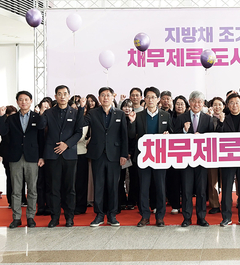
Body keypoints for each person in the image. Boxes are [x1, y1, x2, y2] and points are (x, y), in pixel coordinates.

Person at [39, 85, 83, 227]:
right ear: (55, 96)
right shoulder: (48, 113)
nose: (62, 96)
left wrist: (66, 144)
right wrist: (41, 114)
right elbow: (40, 128)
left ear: (69, 96)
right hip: (52, 155)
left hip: (69, 155)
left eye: (65, 94)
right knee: (53, 188)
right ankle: (55, 217)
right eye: (59, 94)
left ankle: (69, 218)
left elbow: (79, 133)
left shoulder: (75, 113)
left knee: (70, 188)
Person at [0, 91, 44, 228]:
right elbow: (2, 132)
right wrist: (1, 116)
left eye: (26, 99)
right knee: (16, 189)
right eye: (21, 100)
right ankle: (16, 217)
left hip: (32, 157)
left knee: (32, 189)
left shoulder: (37, 117)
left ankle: (30, 217)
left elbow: (41, 136)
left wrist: (42, 156)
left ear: (31, 101)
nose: (24, 102)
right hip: (15, 157)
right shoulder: (11, 118)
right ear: (17, 102)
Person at [85, 87, 129, 227]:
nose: (105, 98)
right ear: (99, 98)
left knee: (113, 186)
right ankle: (99, 215)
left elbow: (124, 136)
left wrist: (124, 154)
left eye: (108, 95)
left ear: (112, 97)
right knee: (98, 185)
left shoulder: (120, 114)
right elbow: (82, 124)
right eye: (103, 95)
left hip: (114, 155)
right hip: (97, 154)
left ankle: (112, 215)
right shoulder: (92, 113)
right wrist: (81, 108)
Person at [128, 86, 171, 227]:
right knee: (143, 187)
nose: (150, 99)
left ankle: (160, 217)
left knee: (160, 187)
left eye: (153, 97)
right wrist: (132, 122)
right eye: (148, 97)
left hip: (160, 157)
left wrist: (168, 135)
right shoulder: (138, 115)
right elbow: (131, 135)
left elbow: (171, 133)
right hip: (143, 157)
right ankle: (145, 216)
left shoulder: (166, 116)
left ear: (158, 99)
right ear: (144, 99)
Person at [173, 91, 212, 227]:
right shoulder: (181, 118)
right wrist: (184, 131)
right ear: (189, 102)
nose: (197, 104)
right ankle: (187, 218)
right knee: (186, 190)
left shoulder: (208, 119)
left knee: (201, 190)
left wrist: (202, 137)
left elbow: (212, 137)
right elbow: (174, 137)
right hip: (186, 160)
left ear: (203, 104)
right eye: (194, 101)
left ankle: (201, 217)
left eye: (200, 102)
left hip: (202, 159)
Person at [218, 93, 240, 226]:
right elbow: (217, 136)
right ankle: (226, 217)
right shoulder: (223, 119)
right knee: (227, 189)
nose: (234, 105)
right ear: (227, 105)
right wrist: (221, 122)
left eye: (237, 102)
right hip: (228, 159)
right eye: (231, 102)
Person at [166, 95, 189, 214]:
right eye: (177, 104)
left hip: (187, 154)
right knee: (174, 180)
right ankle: (175, 204)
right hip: (173, 154)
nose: (179, 106)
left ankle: (186, 204)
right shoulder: (169, 117)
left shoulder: (190, 117)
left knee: (186, 181)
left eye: (182, 104)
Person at [206, 96, 224, 215]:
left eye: (219, 104)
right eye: (215, 105)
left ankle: (226, 202)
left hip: (225, 153)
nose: (217, 107)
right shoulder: (208, 119)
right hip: (211, 152)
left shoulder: (228, 118)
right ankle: (214, 204)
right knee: (212, 180)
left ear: (223, 106)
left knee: (225, 179)